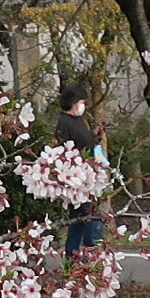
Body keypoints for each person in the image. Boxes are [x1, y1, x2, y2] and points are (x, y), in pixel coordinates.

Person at [55, 85, 108, 257]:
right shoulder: (64, 122)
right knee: (83, 218)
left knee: (84, 219)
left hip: (87, 176)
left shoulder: (79, 121)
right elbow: (64, 148)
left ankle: (81, 254)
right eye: (82, 102)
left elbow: (85, 142)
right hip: (77, 179)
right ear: (73, 102)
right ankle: (80, 254)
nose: (83, 106)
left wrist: (95, 136)